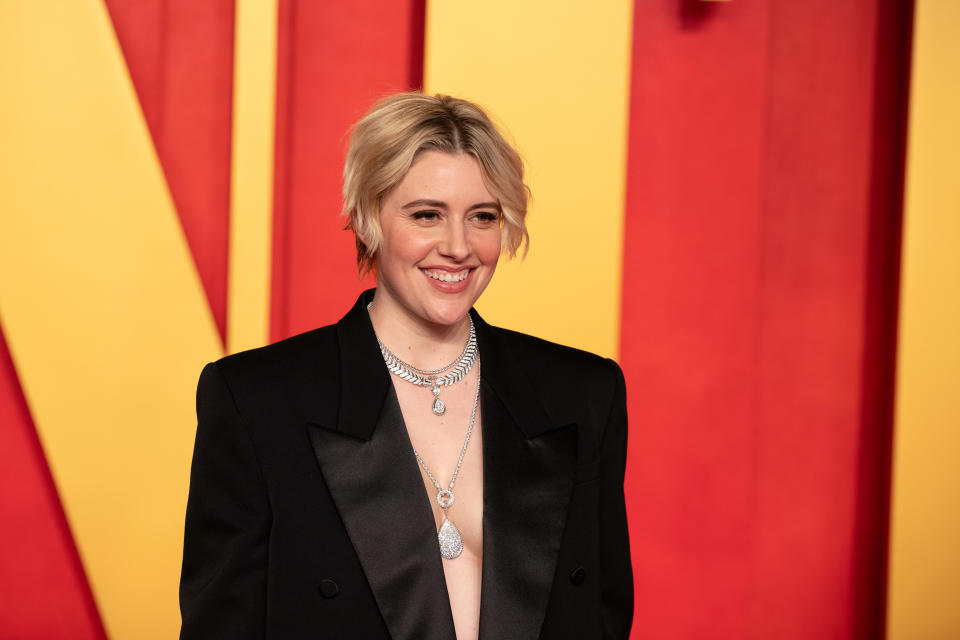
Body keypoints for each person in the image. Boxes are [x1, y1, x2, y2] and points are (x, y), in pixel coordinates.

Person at [179, 92, 633, 640]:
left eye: (483, 217)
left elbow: (603, 617)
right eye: (427, 215)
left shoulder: (583, 394)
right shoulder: (257, 401)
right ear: (368, 219)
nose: (458, 246)